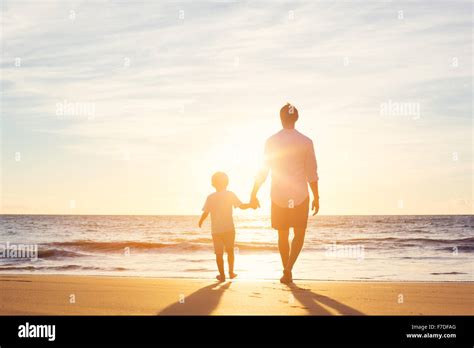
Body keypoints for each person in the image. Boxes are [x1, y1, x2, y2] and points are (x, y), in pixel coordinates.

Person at [250, 103, 320, 284]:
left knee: (282, 235)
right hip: (300, 195)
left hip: (278, 195)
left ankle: (286, 270)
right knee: (299, 234)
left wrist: (253, 193)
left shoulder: (271, 141)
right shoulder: (306, 141)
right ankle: (289, 268)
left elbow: (263, 171)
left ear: (281, 118)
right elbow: (312, 173)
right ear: (296, 118)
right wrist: (317, 197)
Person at [199, 171, 253, 282]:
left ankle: (222, 275)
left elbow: (206, 212)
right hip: (229, 229)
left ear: (213, 184)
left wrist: (201, 221)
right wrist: (251, 205)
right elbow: (241, 206)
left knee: (219, 254)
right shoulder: (230, 194)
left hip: (216, 231)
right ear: (227, 183)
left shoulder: (211, 197)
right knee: (230, 251)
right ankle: (231, 272)